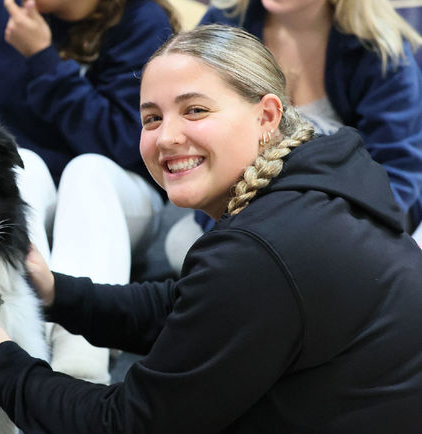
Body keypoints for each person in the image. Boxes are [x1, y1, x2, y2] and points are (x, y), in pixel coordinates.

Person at [0, 25, 422, 434]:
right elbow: (188, 309)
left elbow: (130, 426)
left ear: (267, 117)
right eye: (152, 118)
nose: (166, 136)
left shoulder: (261, 252)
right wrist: (58, 290)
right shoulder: (313, 188)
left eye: (195, 110)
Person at [0, 0, 181, 384]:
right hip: (39, 195)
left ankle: (80, 361)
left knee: (87, 170)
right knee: (22, 164)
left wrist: (44, 60)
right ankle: (17, 341)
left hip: (118, 189)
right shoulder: (9, 11)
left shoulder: (141, 19)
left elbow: (122, 140)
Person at [164, 0, 422, 273]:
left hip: (342, 217)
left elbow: (398, 172)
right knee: (184, 246)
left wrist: (325, 231)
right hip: (242, 208)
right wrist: (235, 225)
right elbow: (201, 155)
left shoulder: (379, 47)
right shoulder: (223, 27)